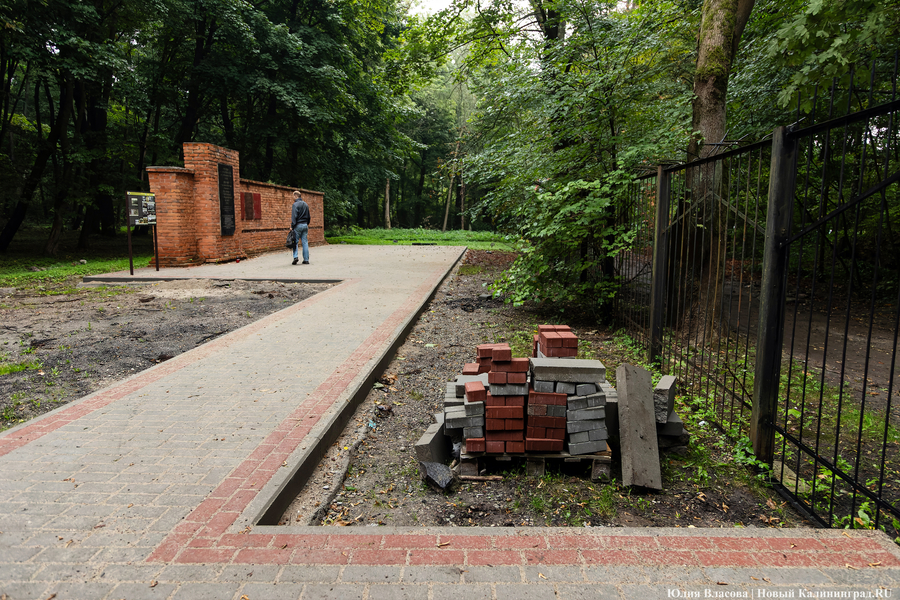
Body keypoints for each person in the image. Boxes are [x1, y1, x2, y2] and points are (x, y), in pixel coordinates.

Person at [290, 190, 310, 265]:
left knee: (295, 241)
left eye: (293, 196)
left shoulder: (295, 205)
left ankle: (295, 257)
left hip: (298, 225)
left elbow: (294, 216)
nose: (292, 198)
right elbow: (308, 216)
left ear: (295, 196)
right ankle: (306, 259)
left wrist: (292, 226)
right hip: (305, 225)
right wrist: (306, 224)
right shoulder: (306, 204)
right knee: (305, 242)